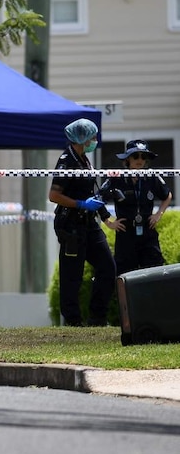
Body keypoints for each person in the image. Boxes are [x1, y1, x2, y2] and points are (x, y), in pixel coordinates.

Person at [49, 118, 118, 327]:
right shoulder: (66, 160)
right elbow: (53, 195)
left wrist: (105, 216)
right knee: (72, 275)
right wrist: (80, 204)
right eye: (93, 137)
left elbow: (90, 193)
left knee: (107, 267)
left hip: (89, 223)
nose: (95, 140)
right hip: (71, 225)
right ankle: (73, 322)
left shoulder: (84, 159)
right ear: (82, 138)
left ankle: (97, 317)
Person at [104, 139, 172, 275]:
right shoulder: (117, 177)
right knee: (125, 276)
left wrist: (159, 214)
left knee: (154, 273)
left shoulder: (152, 176)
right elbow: (98, 199)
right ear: (128, 158)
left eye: (143, 156)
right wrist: (109, 222)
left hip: (147, 230)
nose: (140, 160)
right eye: (135, 156)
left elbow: (167, 195)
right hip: (126, 233)